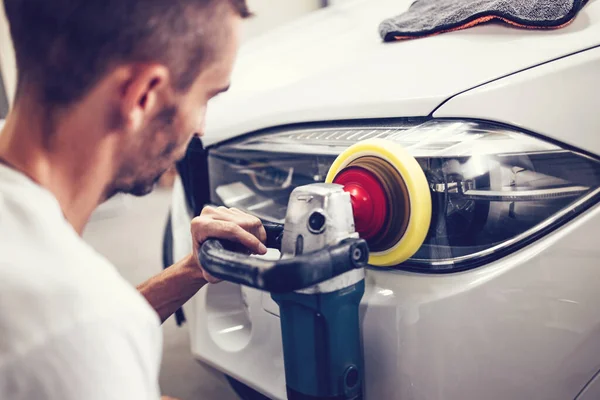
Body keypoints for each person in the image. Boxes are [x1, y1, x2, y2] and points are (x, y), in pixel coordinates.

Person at [0, 0, 267, 399]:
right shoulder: (80, 328)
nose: (200, 127)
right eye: (206, 97)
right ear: (142, 95)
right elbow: (78, 331)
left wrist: (193, 270)